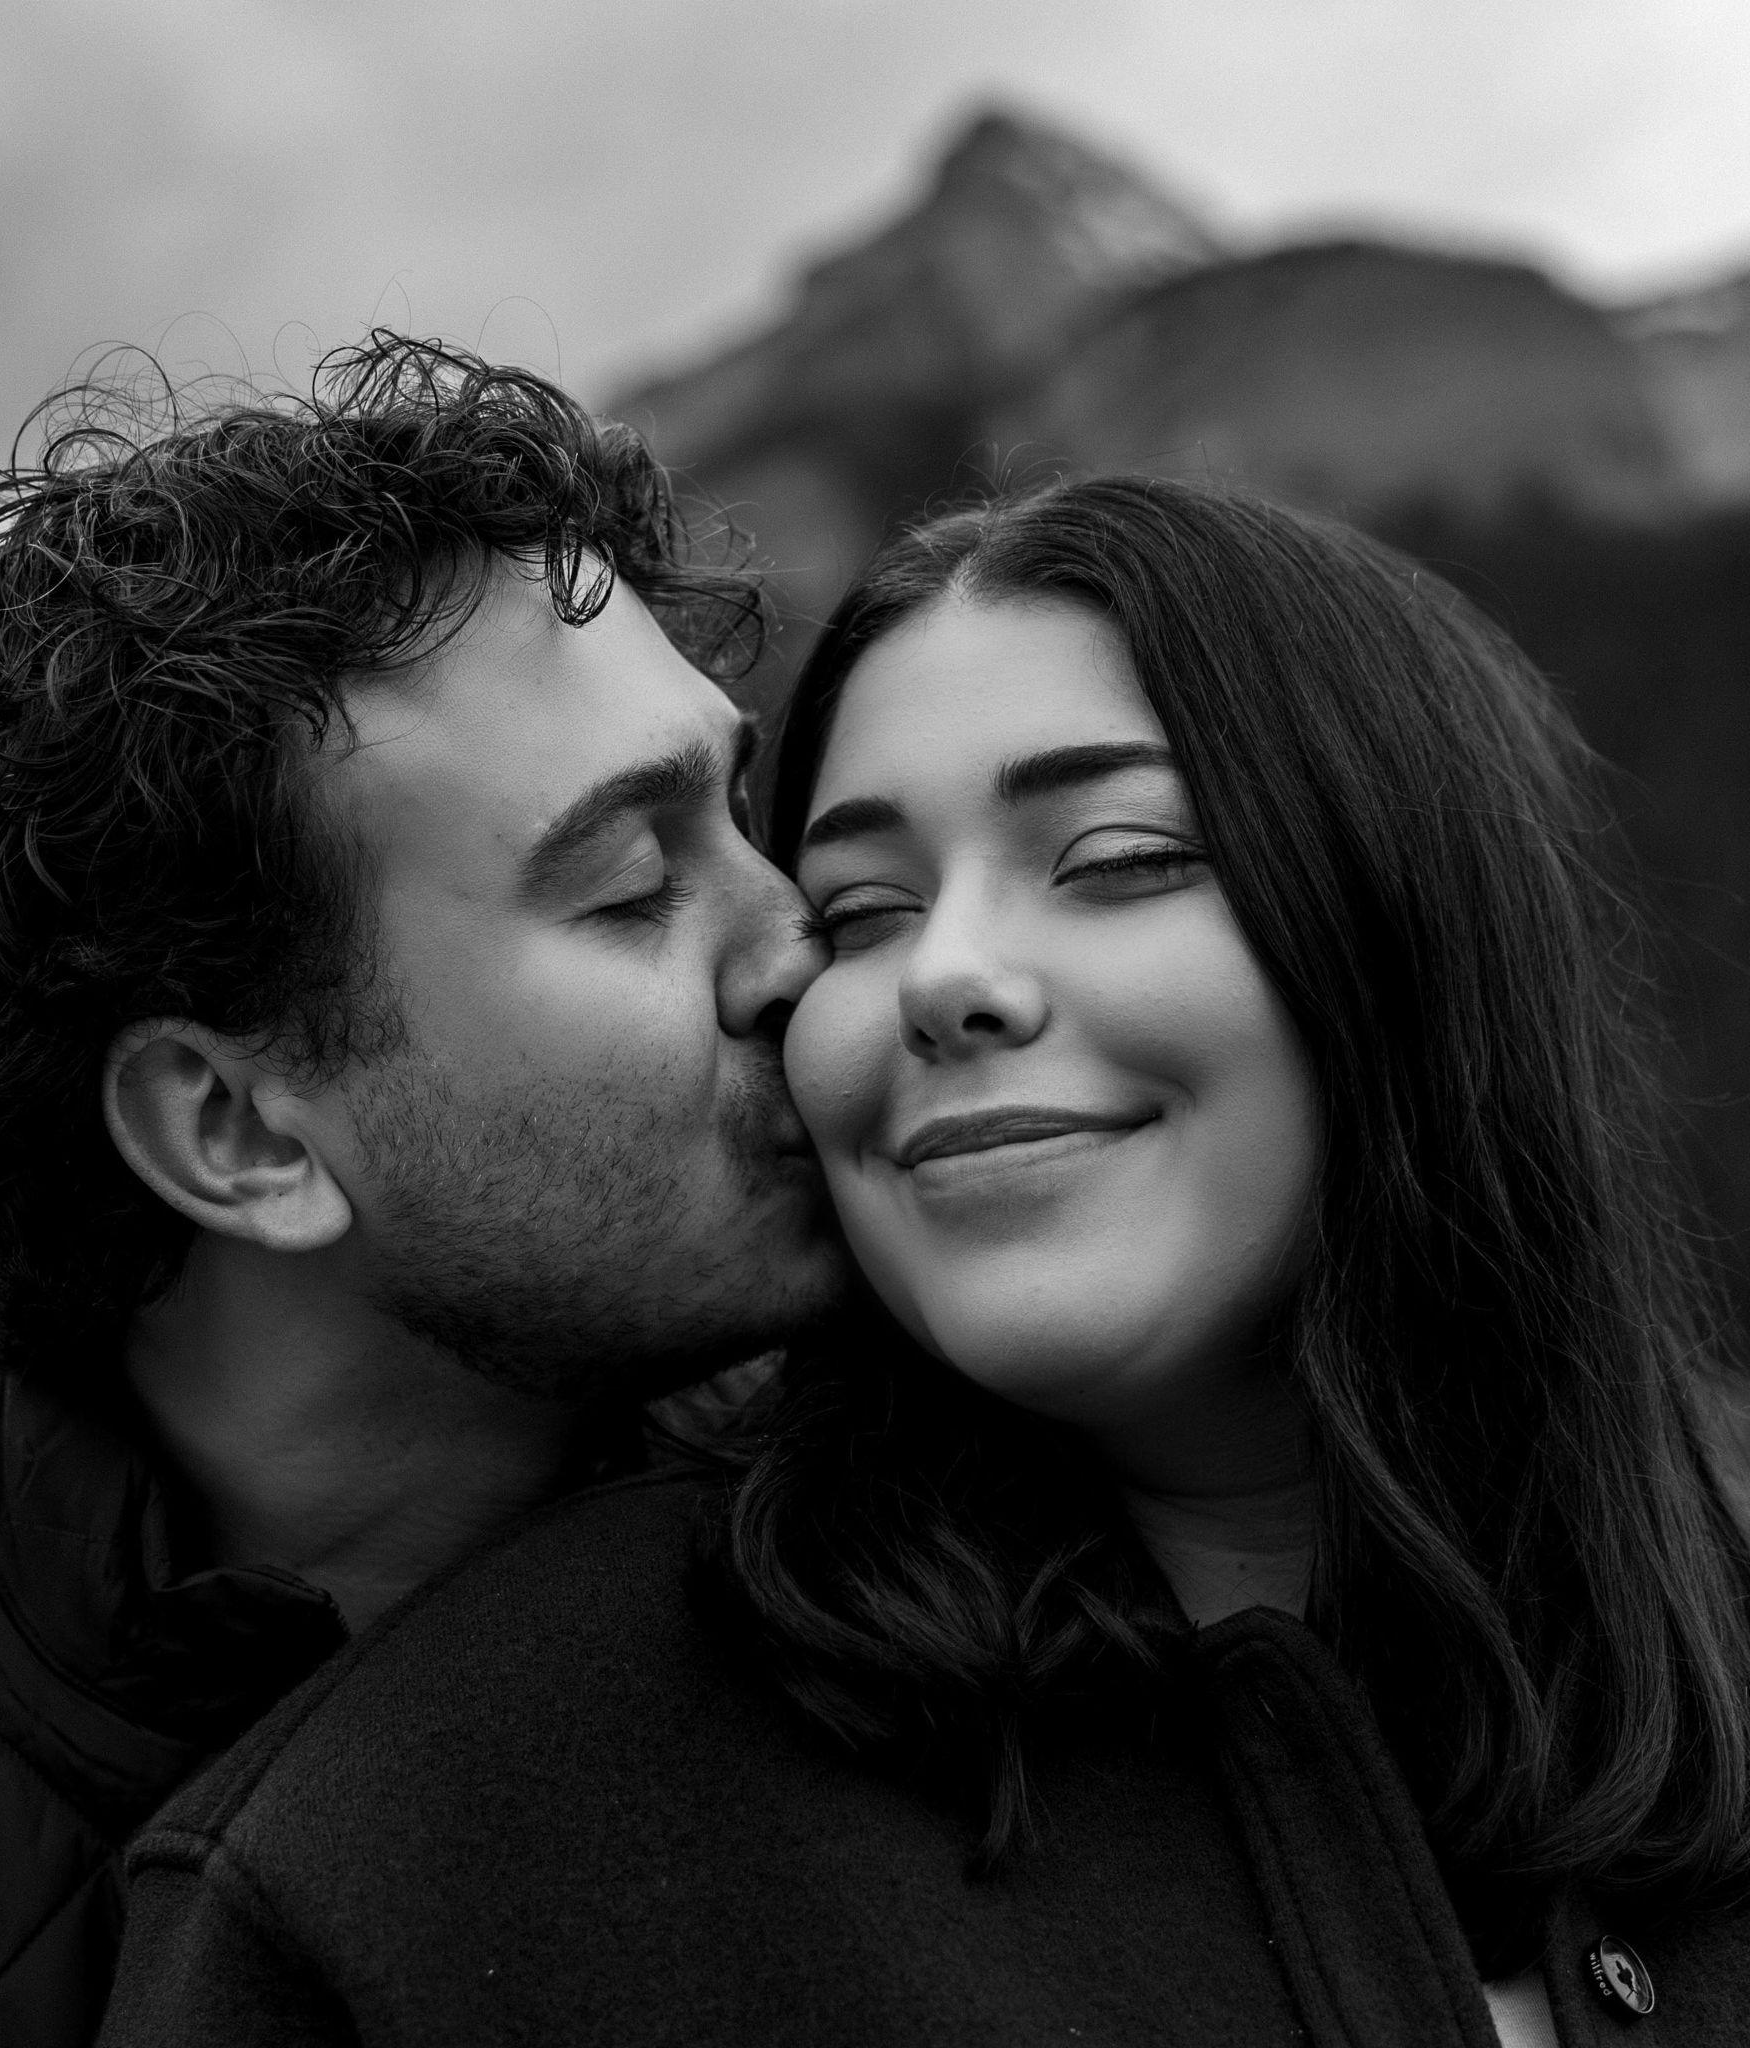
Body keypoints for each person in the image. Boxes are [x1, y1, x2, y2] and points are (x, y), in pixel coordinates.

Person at [102, 475, 1750, 2047]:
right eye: (864, 911)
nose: (939, 976)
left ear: (1426, 936)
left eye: (1117, 860)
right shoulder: (415, 1857)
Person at [0, 335, 843, 2048]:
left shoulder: (958, 1523)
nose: (799, 946)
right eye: (629, 888)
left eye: (744, 812)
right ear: (237, 1132)